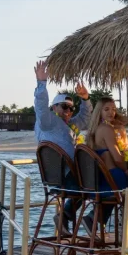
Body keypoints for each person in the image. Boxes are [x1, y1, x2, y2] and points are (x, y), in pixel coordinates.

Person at [33, 60, 92, 230]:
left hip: (70, 172)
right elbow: (41, 107)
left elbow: (85, 117)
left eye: (70, 109)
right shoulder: (48, 122)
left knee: (90, 183)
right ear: (54, 107)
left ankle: (65, 217)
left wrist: (85, 99)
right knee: (90, 187)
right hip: (60, 176)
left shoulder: (70, 123)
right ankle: (71, 217)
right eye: (64, 107)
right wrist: (41, 83)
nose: (68, 111)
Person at [83, 97, 128, 231]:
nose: (111, 113)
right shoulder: (106, 129)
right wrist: (126, 169)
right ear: (99, 112)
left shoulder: (96, 129)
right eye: (106, 109)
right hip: (111, 179)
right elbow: (118, 159)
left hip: (98, 181)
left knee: (125, 188)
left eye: (113, 109)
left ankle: (96, 218)